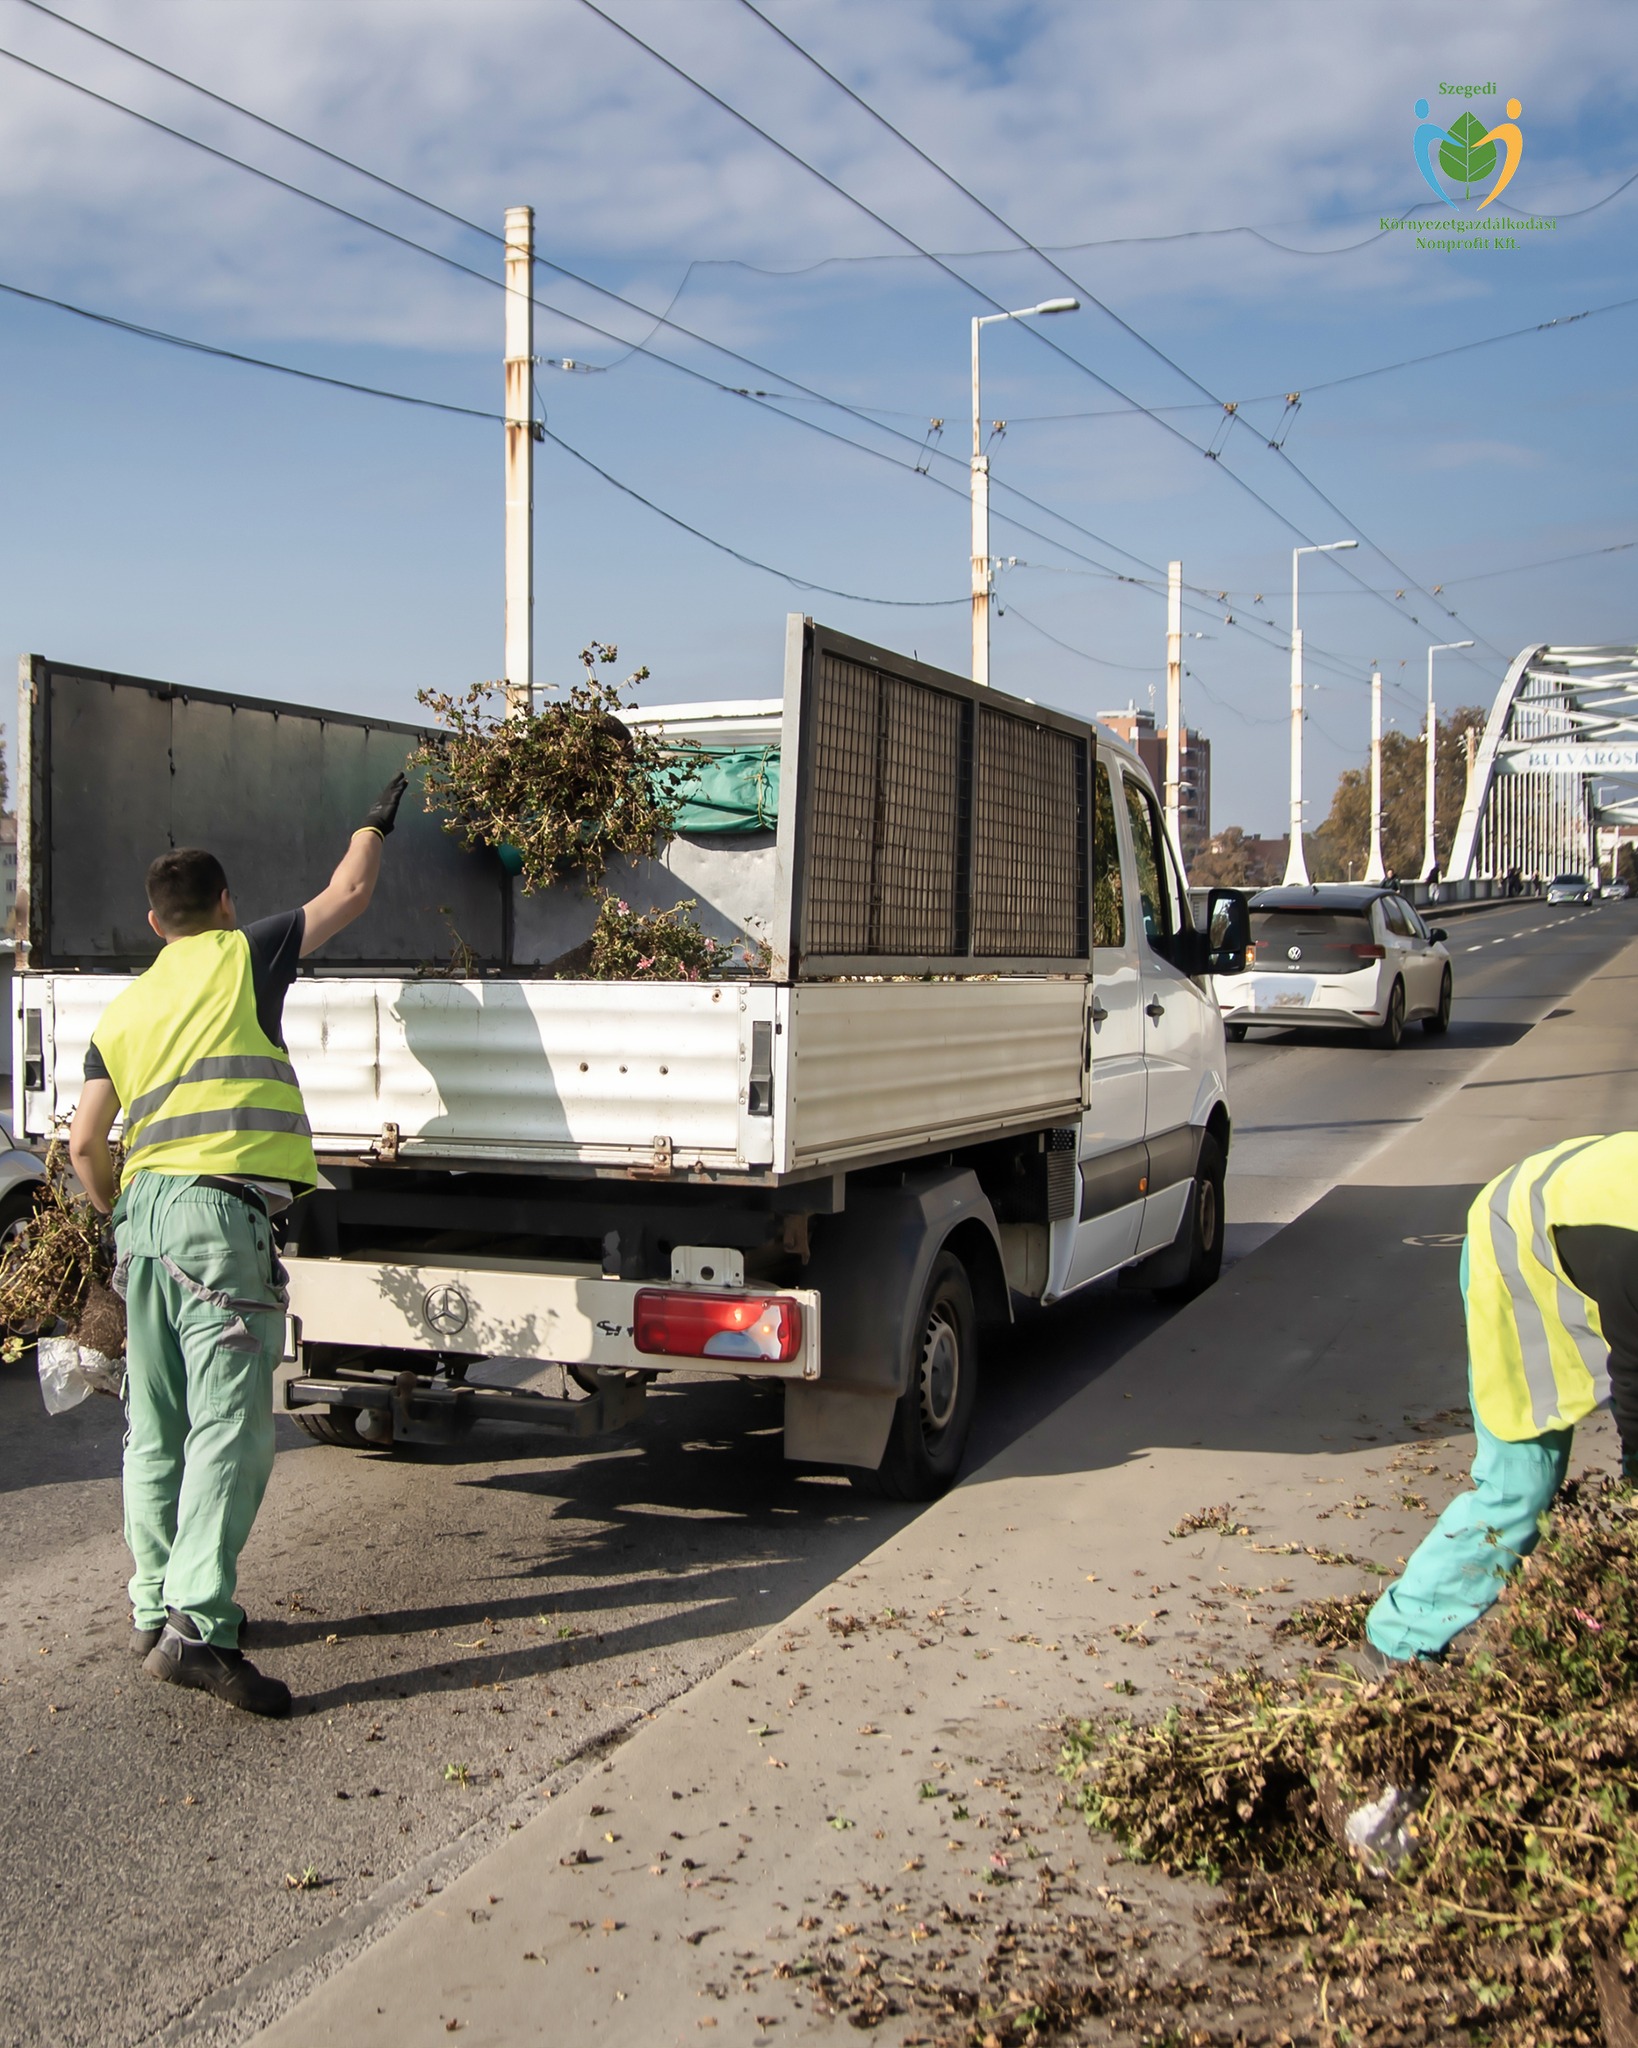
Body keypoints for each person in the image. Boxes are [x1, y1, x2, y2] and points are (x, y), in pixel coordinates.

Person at [68, 774, 408, 1717]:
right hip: (218, 1221)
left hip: (141, 1223)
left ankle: (152, 1610)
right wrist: (372, 825)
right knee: (229, 1428)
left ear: (154, 922)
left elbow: (85, 1145)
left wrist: (119, 1215)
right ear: (224, 904)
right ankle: (200, 1630)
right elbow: (349, 892)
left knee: (155, 1425)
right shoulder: (244, 954)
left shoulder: (122, 1011)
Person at [1363, 1133, 1638, 1666]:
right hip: (1515, 1244)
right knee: (1521, 1482)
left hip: (1585, 1234)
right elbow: (1636, 1390)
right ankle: (1400, 1638)